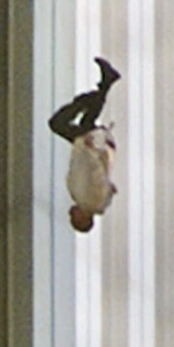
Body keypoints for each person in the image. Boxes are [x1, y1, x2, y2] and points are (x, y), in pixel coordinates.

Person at [49, 57, 121, 233]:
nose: (70, 215)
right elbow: (96, 175)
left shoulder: (84, 199)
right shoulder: (90, 201)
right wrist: (90, 150)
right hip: (92, 148)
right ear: (83, 219)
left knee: (87, 120)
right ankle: (94, 94)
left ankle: (103, 86)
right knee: (58, 123)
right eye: (74, 219)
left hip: (90, 147)